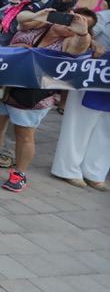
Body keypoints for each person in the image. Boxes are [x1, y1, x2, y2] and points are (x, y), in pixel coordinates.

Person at [0, 7, 96, 192]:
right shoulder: (38, 25)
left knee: (24, 134)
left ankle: (19, 174)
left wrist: (82, 33)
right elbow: (20, 18)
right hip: (5, 83)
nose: (72, 24)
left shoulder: (69, 41)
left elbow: (79, 48)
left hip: (33, 93)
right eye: (72, 18)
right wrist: (40, 15)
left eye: (82, 24)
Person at [51, 54, 109, 190]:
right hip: (96, 64)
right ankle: (67, 168)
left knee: (107, 128)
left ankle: (95, 171)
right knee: (79, 123)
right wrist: (93, 44)